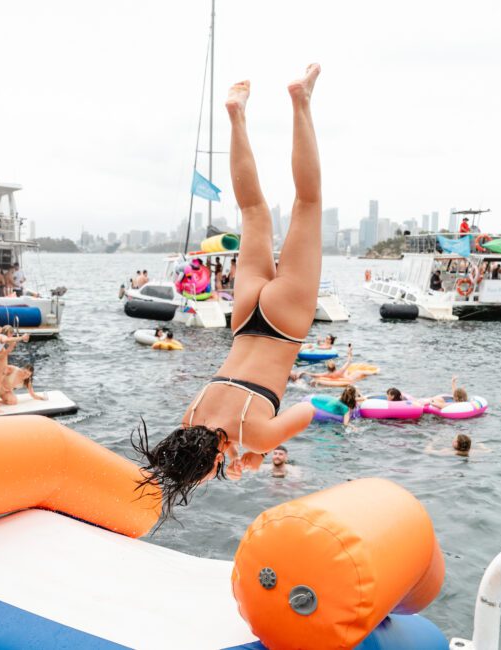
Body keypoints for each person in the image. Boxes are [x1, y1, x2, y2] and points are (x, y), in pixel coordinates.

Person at [133, 65, 322, 518]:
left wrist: (258, 448)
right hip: (245, 317)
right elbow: (223, 430)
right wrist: (247, 448)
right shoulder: (189, 418)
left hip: (283, 325)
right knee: (253, 210)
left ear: (209, 461)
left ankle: (300, 100)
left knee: (307, 204)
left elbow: (310, 410)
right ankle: (237, 115)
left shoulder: (252, 434)